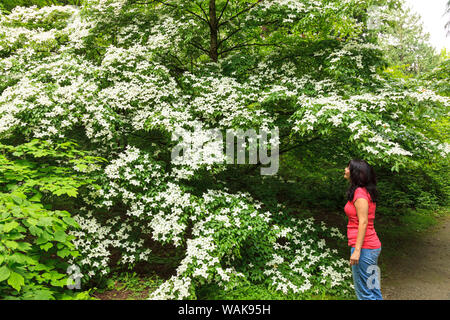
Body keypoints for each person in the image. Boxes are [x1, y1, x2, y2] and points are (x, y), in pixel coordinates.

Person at [343, 159, 383, 300]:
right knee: (373, 288)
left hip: (364, 248)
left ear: (355, 173)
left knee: (364, 293)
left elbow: (363, 222)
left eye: (348, 167)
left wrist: (357, 251)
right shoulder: (363, 191)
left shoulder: (359, 194)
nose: (345, 169)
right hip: (370, 247)